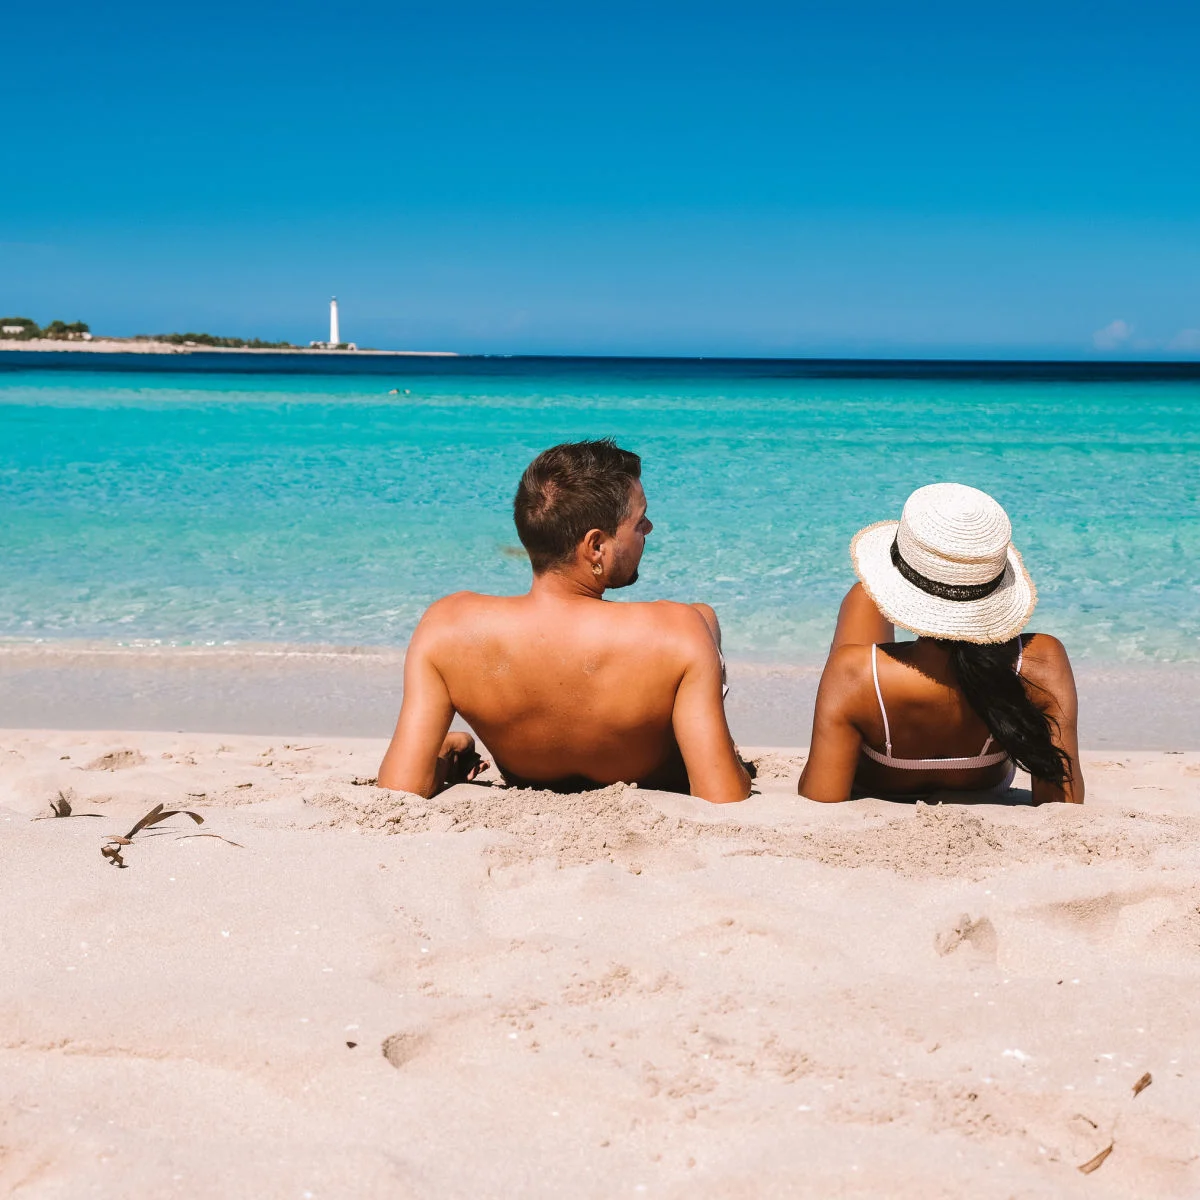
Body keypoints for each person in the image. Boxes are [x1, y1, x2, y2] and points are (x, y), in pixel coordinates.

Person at [378, 438, 752, 804]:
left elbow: (400, 789)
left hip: (529, 773)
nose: (649, 528)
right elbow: (722, 795)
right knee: (705, 618)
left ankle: (450, 747)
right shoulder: (679, 630)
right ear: (595, 547)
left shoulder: (447, 627)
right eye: (639, 521)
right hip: (649, 774)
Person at [798, 483, 1083, 805]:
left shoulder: (854, 673)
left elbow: (818, 797)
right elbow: (1063, 804)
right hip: (983, 781)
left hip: (880, 763)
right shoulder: (1041, 660)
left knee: (863, 598)